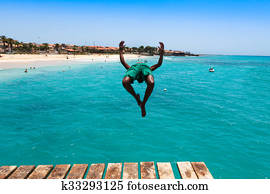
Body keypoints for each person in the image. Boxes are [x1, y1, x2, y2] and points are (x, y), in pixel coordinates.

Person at [120, 41, 164, 117]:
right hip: (142, 68)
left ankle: (142, 103)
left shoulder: (132, 69)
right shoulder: (148, 69)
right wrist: (161, 53)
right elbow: (159, 64)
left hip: (135, 68)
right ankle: (138, 100)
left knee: (125, 82)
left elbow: (123, 62)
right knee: (151, 83)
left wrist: (120, 51)